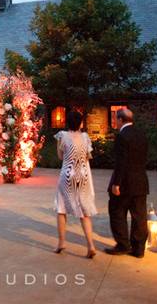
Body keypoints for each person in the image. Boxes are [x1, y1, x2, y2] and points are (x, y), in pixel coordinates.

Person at [105, 108, 149, 258]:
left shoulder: (122, 136)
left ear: (120, 120)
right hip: (141, 181)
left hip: (125, 182)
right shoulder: (141, 134)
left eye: (115, 119)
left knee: (116, 211)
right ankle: (138, 249)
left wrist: (116, 183)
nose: (114, 122)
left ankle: (123, 244)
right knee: (139, 216)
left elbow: (121, 162)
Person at [54, 111, 97, 259]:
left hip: (67, 175)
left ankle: (61, 243)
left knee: (61, 209)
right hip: (82, 176)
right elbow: (88, 156)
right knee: (84, 211)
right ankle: (90, 245)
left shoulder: (62, 136)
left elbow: (60, 156)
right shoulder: (85, 137)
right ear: (80, 123)